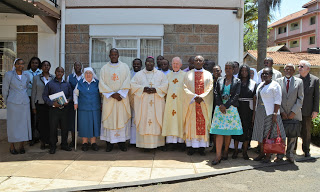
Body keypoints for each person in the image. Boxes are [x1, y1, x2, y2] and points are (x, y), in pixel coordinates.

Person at [131, 56, 168, 150]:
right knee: (144, 120)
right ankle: (143, 144)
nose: (149, 64)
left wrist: (156, 89)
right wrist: (143, 89)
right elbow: (132, 85)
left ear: (154, 64)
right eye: (148, 63)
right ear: (145, 63)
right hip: (143, 103)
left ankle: (158, 144)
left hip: (157, 102)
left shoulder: (160, 74)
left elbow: (165, 85)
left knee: (156, 120)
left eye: (151, 63)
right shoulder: (139, 75)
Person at [210, 62, 242, 165]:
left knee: (228, 132)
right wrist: (220, 105)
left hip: (231, 108)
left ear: (233, 70)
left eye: (230, 68)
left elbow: (236, 95)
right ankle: (218, 155)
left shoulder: (237, 81)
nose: (227, 70)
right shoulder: (219, 80)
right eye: (226, 68)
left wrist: (226, 105)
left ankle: (225, 152)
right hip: (219, 109)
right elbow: (216, 93)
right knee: (219, 132)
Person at [99, 48, 131, 152]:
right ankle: (109, 144)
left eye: (115, 54)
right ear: (109, 56)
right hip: (110, 100)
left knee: (121, 119)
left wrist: (120, 94)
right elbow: (102, 84)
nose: (113, 56)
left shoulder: (125, 67)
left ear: (118, 55)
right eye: (112, 55)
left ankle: (122, 143)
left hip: (121, 99)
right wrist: (112, 94)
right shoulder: (104, 68)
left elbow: (128, 81)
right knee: (110, 120)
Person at [252, 67, 286, 163]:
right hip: (260, 112)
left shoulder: (275, 85)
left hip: (270, 113)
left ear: (271, 75)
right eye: (263, 74)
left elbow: (277, 100)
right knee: (261, 133)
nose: (265, 75)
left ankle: (268, 155)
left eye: (267, 74)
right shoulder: (261, 84)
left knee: (269, 134)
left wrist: (275, 113)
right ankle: (262, 153)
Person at [183, 55, 213, 156]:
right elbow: (184, 87)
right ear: (193, 62)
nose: (198, 62)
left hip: (203, 104)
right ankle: (191, 146)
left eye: (200, 60)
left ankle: (202, 147)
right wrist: (194, 97)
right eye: (196, 60)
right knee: (191, 124)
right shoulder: (188, 74)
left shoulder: (208, 74)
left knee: (203, 124)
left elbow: (210, 88)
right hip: (192, 104)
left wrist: (202, 97)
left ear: (203, 62)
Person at [275, 63, 304, 163]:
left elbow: (300, 99)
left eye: (290, 70)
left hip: (294, 115)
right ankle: (279, 155)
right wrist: (282, 111)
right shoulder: (278, 81)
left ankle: (290, 155)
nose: (288, 71)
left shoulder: (299, 82)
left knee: (292, 136)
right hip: (281, 114)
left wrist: (293, 112)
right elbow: (277, 98)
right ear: (284, 70)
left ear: (294, 71)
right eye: (286, 69)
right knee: (280, 136)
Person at [2, 58, 31, 154]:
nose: (20, 66)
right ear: (15, 65)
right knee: (13, 125)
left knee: (23, 124)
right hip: (13, 103)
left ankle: (22, 145)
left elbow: (26, 86)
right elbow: (5, 90)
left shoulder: (26, 75)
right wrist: (7, 102)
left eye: (22, 64)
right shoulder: (9, 75)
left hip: (24, 103)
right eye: (18, 64)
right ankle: (12, 146)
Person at [43, 67, 73, 154]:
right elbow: (44, 96)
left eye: (61, 72)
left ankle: (64, 144)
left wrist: (68, 100)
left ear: (63, 73)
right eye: (58, 71)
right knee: (53, 128)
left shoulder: (67, 84)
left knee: (65, 128)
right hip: (54, 109)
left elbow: (71, 95)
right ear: (55, 72)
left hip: (64, 109)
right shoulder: (50, 84)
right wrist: (52, 103)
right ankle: (53, 146)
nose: (60, 73)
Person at [232, 65, 257, 160]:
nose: (244, 72)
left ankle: (245, 151)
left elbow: (254, 99)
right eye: (242, 71)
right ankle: (235, 150)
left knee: (246, 130)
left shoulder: (253, 83)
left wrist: (254, 112)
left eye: (246, 71)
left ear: (249, 71)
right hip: (238, 107)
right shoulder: (236, 82)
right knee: (236, 129)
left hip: (248, 109)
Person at [295, 60, 319, 157]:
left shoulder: (315, 80)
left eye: (301, 66)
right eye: (299, 66)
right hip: (295, 110)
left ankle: (306, 150)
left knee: (306, 131)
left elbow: (316, 96)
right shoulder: (295, 78)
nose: (299, 68)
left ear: (308, 69)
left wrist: (315, 110)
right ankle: (292, 150)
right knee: (294, 130)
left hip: (307, 110)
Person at [74, 67, 101, 151]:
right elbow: (75, 93)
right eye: (86, 73)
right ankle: (84, 143)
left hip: (94, 108)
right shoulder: (80, 83)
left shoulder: (97, 83)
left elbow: (101, 94)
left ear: (93, 74)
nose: (88, 75)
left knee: (94, 125)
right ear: (84, 74)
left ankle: (93, 143)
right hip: (83, 108)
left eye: (90, 73)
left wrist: (102, 103)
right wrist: (76, 103)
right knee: (84, 125)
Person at [162, 57, 186, 151]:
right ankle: (170, 143)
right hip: (170, 103)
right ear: (171, 64)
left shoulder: (185, 75)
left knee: (179, 120)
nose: (175, 65)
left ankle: (180, 143)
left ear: (181, 65)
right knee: (170, 120)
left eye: (177, 63)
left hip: (180, 103)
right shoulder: (167, 75)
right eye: (173, 63)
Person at [31, 60, 55, 150]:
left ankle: (50, 141)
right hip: (40, 104)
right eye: (44, 65)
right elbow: (33, 92)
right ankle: (43, 142)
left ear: (50, 67)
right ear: (41, 67)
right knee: (41, 124)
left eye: (48, 65)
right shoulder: (36, 78)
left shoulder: (53, 77)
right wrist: (33, 106)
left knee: (50, 124)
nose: (46, 67)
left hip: (50, 104)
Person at [25, 57, 42, 146]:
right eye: (33, 63)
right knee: (30, 118)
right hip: (29, 97)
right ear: (30, 64)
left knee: (38, 118)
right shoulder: (26, 73)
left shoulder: (41, 73)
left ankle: (38, 136)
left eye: (36, 63)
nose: (34, 64)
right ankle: (30, 137)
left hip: (38, 97)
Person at [67, 61, 83, 147]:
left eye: (79, 65)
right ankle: (73, 140)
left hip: (84, 103)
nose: (77, 66)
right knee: (73, 122)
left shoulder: (85, 76)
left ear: (81, 67)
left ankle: (84, 140)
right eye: (76, 65)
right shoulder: (70, 77)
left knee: (83, 121)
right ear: (74, 67)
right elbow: (68, 89)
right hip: (73, 103)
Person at [129, 58, 143, 145]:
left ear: (141, 65)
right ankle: (132, 140)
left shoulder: (143, 75)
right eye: (135, 64)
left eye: (138, 64)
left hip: (140, 100)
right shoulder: (129, 74)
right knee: (131, 120)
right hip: (130, 100)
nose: (136, 66)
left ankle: (139, 140)